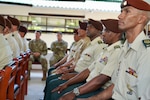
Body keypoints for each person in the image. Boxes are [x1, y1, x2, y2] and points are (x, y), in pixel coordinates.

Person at [78, 0, 150, 100]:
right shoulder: (124, 48)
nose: (120, 16)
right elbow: (116, 86)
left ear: (141, 19)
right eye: (121, 11)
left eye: (127, 11)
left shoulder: (146, 52)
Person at [52, 19, 123, 100]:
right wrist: (67, 84)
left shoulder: (117, 51)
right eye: (103, 31)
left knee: (58, 95)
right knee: (58, 89)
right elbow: (88, 70)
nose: (103, 34)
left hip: (100, 90)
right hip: (89, 84)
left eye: (107, 31)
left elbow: (101, 80)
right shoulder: (106, 49)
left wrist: (75, 92)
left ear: (118, 34)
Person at [44, 18, 107, 100]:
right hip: (78, 74)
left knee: (55, 88)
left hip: (83, 78)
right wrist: (68, 71)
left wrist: (71, 75)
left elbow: (92, 72)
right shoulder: (90, 44)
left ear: (99, 31)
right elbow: (80, 63)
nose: (87, 28)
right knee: (52, 81)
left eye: (90, 27)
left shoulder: (99, 46)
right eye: (87, 27)